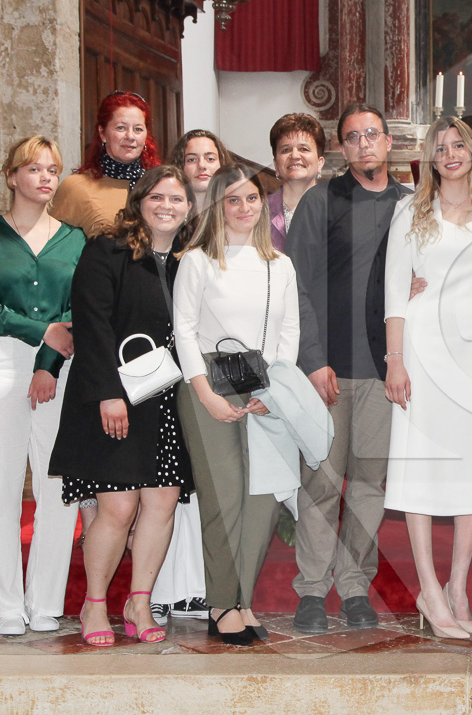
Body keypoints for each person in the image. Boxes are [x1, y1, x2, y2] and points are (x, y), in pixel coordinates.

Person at [48, 165, 195, 645]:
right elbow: (93, 324)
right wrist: (109, 393)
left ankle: (139, 602)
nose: (167, 206)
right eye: (157, 197)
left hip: (166, 400)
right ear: (139, 202)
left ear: (189, 207)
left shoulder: (189, 260)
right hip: (115, 398)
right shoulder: (108, 250)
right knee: (118, 505)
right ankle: (94, 605)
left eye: (176, 199)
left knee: (162, 501)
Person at [382, 116, 472, 638]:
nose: (450, 154)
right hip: (421, 346)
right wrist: (395, 359)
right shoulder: (410, 210)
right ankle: (429, 590)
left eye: (458, 145)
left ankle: (457, 586)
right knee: (419, 461)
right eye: (440, 148)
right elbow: (396, 289)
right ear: (430, 160)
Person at [285, 104, 407, 634]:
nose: (364, 144)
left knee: (369, 485)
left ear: (388, 142)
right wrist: (312, 361)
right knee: (321, 483)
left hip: (385, 370)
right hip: (328, 371)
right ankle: (312, 590)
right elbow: (296, 288)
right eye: (353, 137)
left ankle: (355, 586)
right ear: (342, 148)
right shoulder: (321, 200)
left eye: (372, 134)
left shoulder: (410, 204)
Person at [0, 135, 86, 636]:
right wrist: (41, 332)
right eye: (33, 168)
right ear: (12, 176)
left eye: (52, 169)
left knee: (58, 487)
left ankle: (45, 600)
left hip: (61, 365)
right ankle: (5, 602)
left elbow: (77, 308)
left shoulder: (74, 239)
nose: (45, 177)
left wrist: (47, 362)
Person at [173, 164, 301, 646]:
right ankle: (221, 604)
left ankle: (242, 598)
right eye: (233, 200)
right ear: (217, 207)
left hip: (266, 387)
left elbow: (289, 332)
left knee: (264, 499)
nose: (245, 208)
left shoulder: (280, 265)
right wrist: (204, 393)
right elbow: (184, 330)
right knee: (224, 496)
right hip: (209, 383)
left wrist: (277, 390)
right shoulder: (198, 261)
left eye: (252, 198)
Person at [150, 129, 234, 625]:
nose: (202, 166)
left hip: (214, 367)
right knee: (170, 483)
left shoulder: (231, 221)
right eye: (191, 158)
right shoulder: (172, 223)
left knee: (205, 483)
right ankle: (165, 588)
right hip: (169, 366)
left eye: (210, 157)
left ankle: (201, 588)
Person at [54, 91, 162, 237]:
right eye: (121, 128)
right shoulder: (76, 187)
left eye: (138, 129)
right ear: (102, 133)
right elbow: (55, 246)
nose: (130, 136)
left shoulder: (160, 185)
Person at [267, 114, 326, 251]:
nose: (294, 156)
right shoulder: (259, 211)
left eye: (303, 149)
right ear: (276, 165)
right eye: (286, 150)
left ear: (320, 163)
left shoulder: (337, 209)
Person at [171, 129, 233, 215]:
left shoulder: (236, 212)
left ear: (222, 163)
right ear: (180, 166)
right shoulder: (168, 212)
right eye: (192, 160)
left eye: (210, 159)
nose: (201, 165)